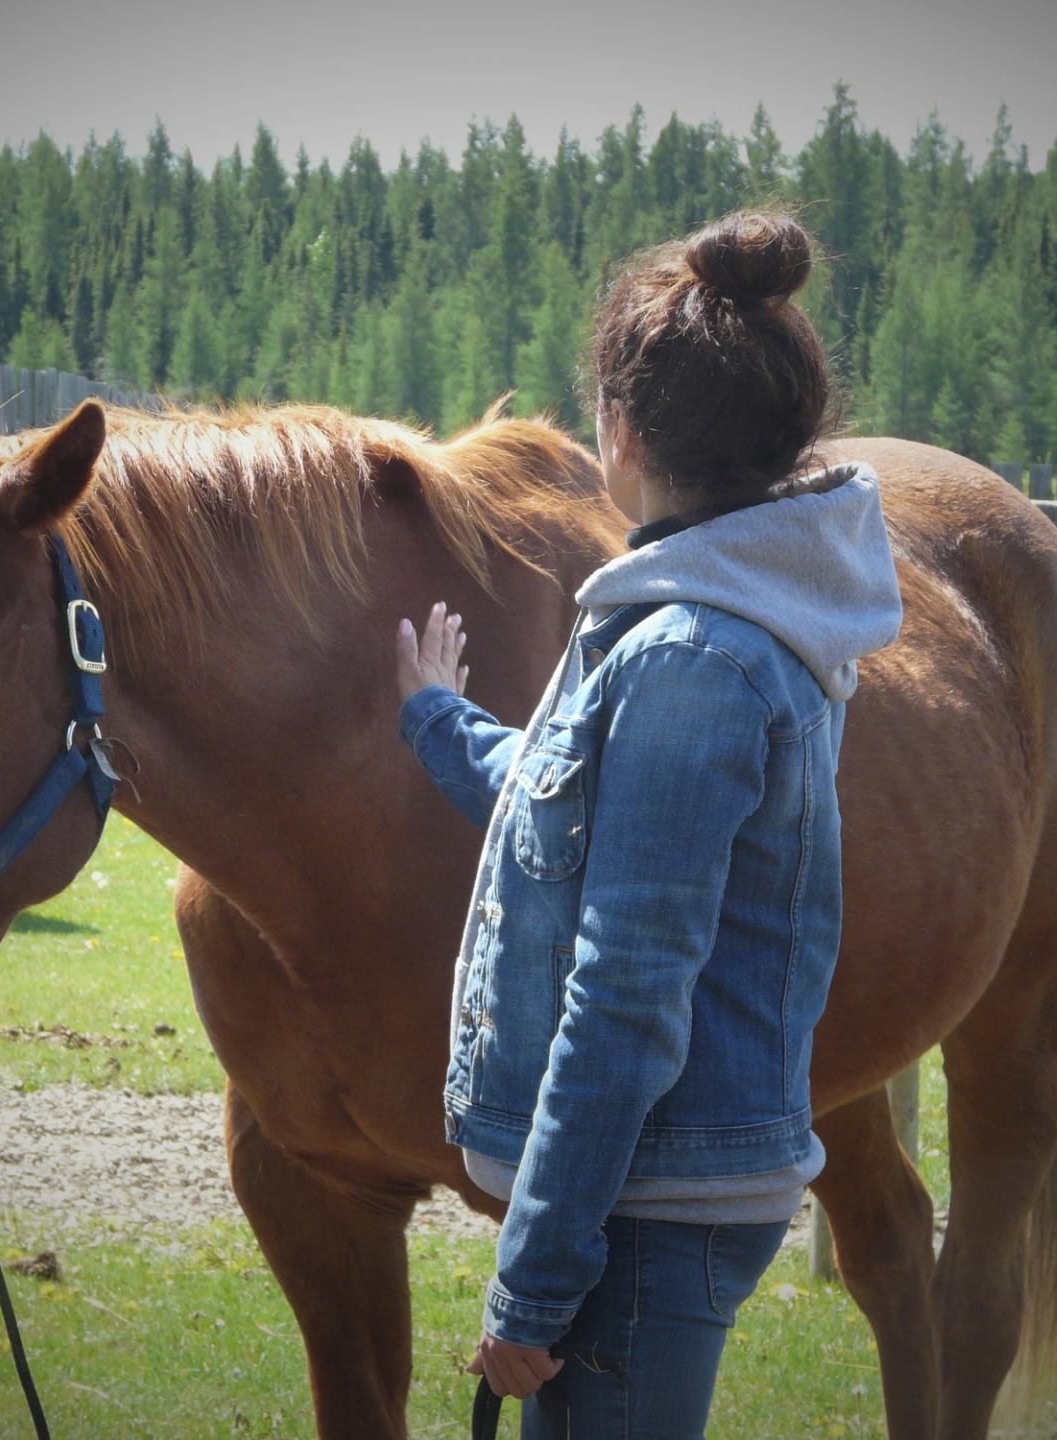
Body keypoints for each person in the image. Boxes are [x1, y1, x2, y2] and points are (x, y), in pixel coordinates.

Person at [393, 208, 903, 1437]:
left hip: (646, 1215)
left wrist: (534, 1283)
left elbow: (624, 996)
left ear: (621, 431)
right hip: (646, 1200)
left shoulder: (690, 658)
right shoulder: (705, 622)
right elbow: (579, 810)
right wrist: (440, 721)